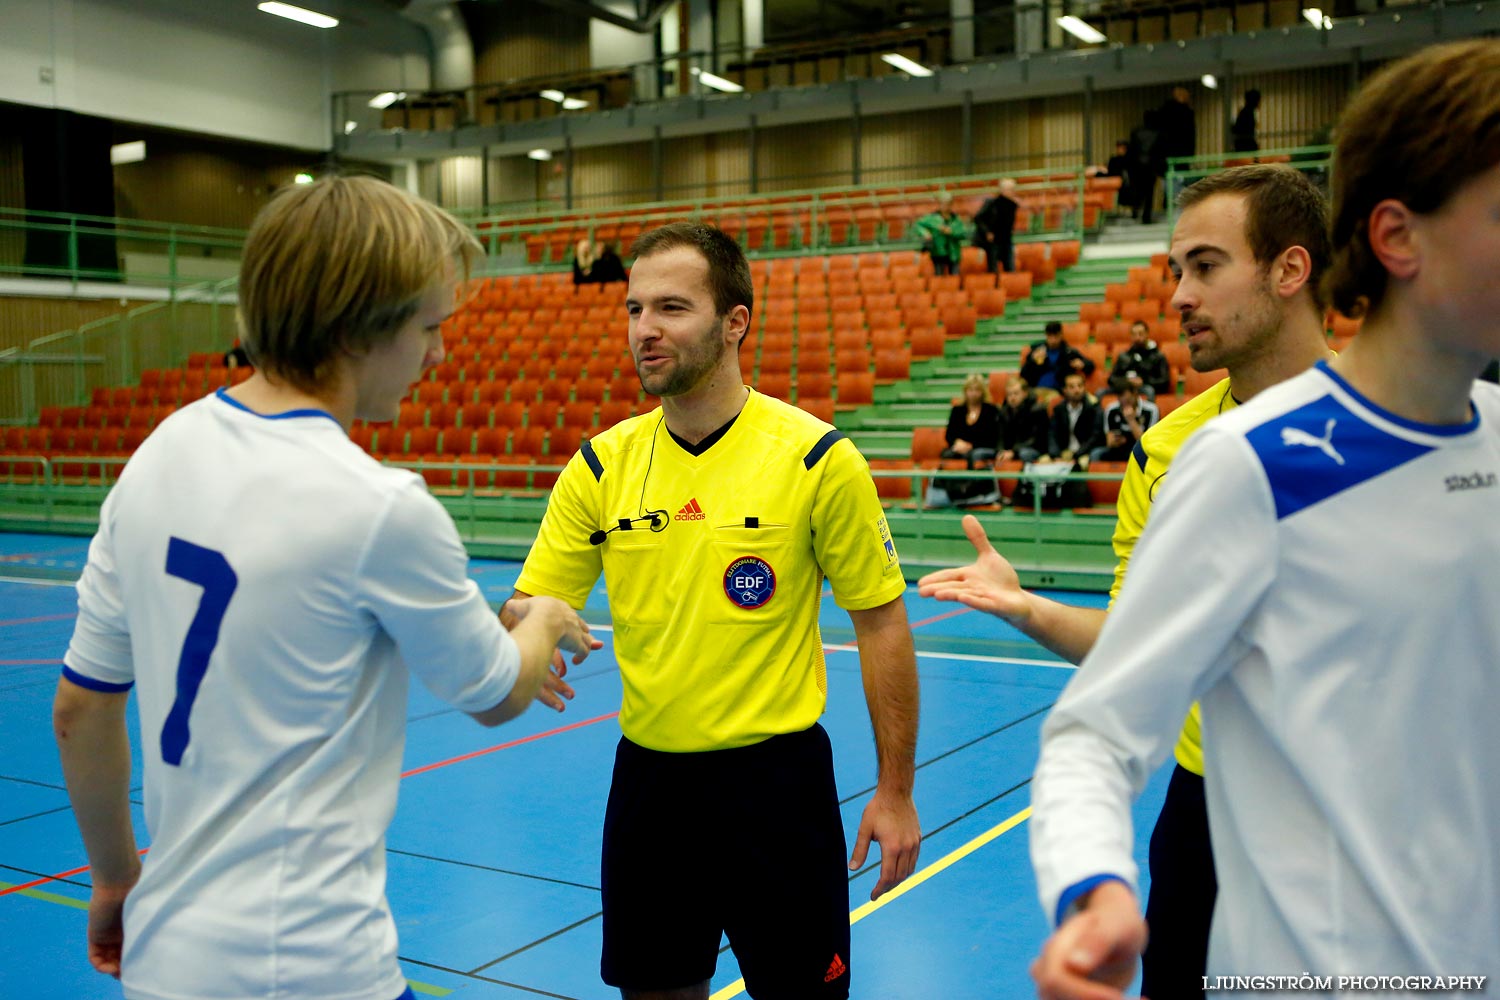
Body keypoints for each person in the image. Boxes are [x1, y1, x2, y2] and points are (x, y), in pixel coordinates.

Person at [1026, 40, 1500, 994]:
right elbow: (1098, 733)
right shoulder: (1244, 465)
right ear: (1400, 238)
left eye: (1206, 265)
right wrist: (1095, 886)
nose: (1181, 297)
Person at [52, 176, 600, 1000]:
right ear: (359, 330)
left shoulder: (158, 455)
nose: (439, 355)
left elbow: (81, 705)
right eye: (428, 328)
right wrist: (547, 618)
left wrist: (115, 880)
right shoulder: (377, 505)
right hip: (309, 967)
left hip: (166, 961)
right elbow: (497, 691)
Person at [916, 162, 1334, 998]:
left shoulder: (1414, 436)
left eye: (1206, 268)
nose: (1179, 294)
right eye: (1177, 270)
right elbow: (1137, 646)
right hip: (1206, 812)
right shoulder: (1166, 452)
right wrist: (1026, 606)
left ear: (1291, 270)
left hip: (1356, 821)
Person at [509, 221, 922, 1000]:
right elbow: (538, 600)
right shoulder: (600, 465)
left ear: (735, 323)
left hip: (777, 789)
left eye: (670, 308)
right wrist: (527, 631)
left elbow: (881, 622)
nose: (644, 330)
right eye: (634, 310)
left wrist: (894, 791)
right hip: (651, 790)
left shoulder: (816, 460)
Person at [930, 372, 1002, 507]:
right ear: (965, 391)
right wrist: (957, 442)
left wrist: (971, 445)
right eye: (970, 390)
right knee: (947, 454)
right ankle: (951, 491)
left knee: (975, 455)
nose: (973, 393)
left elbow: (992, 437)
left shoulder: (990, 410)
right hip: (960, 448)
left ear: (982, 392)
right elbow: (949, 435)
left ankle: (972, 492)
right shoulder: (957, 410)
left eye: (977, 390)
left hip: (982, 447)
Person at [1091, 376, 1158, 462]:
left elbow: (1146, 443)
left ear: (1135, 393)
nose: (1123, 402)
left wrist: (1131, 420)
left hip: (1140, 450)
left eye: (1127, 400)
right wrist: (1115, 442)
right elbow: (1109, 442)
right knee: (1096, 454)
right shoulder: (1111, 409)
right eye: (1119, 398)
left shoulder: (1151, 410)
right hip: (1118, 449)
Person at [1020, 321, 1095, 394]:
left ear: (1061, 335)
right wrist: (1032, 360)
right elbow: (1023, 374)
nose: (1053, 340)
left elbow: (1090, 365)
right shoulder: (1037, 350)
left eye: (1056, 336)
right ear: (1046, 336)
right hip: (1036, 389)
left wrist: (1083, 364)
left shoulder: (1069, 352)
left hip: (1059, 391)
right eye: (1050, 336)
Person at [1046, 371, 1102, 466]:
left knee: (1083, 464)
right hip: (1063, 452)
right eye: (1072, 387)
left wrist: (1075, 455)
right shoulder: (1059, 409)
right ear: (1064, 390)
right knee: (1043, 463)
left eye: (1080, 386)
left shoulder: (1093, 409)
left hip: (1083, 452)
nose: (1077, 390)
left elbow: (1095, 437)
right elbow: (1052, 434)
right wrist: (1056, 455)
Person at [1109, 319, 1172, 399]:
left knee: (1149, 391)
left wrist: (1144, 381)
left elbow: (1164, 381)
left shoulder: (1158, 356)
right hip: (1124, 387)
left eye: (1140, 334)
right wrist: (1126, 381)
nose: (1137, 338)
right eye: (1134, 334)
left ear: (1147, 334)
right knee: (1100, 392)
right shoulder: (1124, 356)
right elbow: (1111, 379)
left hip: (1145, 386)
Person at [997, 376, 1048, 463]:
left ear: (1025, 393)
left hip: (1034, 449)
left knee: (1024, 454)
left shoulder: (1037, 409)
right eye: (1009, 394)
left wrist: (1014, 452)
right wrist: (1001, 450)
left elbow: (1036, 439)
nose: (1012, 398)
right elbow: (1000, 436)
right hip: (1011, 450)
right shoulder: (1004, 411)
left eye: (1016, 393)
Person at [973, 179, 1020, 273]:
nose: (1013, 192)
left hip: (1006, 240)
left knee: (1010, 268)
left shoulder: (1013, 205)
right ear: (1003, 190)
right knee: (993, 268)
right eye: (1010, 189)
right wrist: (987, 232)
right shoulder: (991, 203)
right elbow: (978, 218)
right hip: (994, 241)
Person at [1127, 109, 1165, 225]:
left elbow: (1131, 150)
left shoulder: (1135, 132)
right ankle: (1146, 216)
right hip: (1151, 167)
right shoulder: (1158, 133)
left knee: (1137, 190)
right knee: (1149, 192)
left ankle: (1135, 210)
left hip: (1137, 166)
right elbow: (1160, 152)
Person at [916, 193, 968, 276]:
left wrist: (951, 232)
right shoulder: (931, 218)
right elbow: (918, 225)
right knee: (939, 278)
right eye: (942, 203)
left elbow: (963, 234)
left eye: (947, 203)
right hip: (938, 252)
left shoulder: (956, 219)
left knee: (954, 278)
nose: (944, 206)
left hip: (953, 253)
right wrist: (926, 234)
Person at [1104, 140, 1134, 217]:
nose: (1120, 150)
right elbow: (1110, 172)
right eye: (1119, 148)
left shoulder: (1130, 160)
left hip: (1127, 184)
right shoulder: (1114, 160)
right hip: (1115, 182)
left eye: (1122, 148)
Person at [1231, 88, 1261, 153]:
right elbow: (1247, 135)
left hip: (1242, 148)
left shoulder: (1245, 112)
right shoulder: (1247, 113)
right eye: (1258, 100)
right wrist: (1255, 147)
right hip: (1245, 149)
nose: (1259, 102)